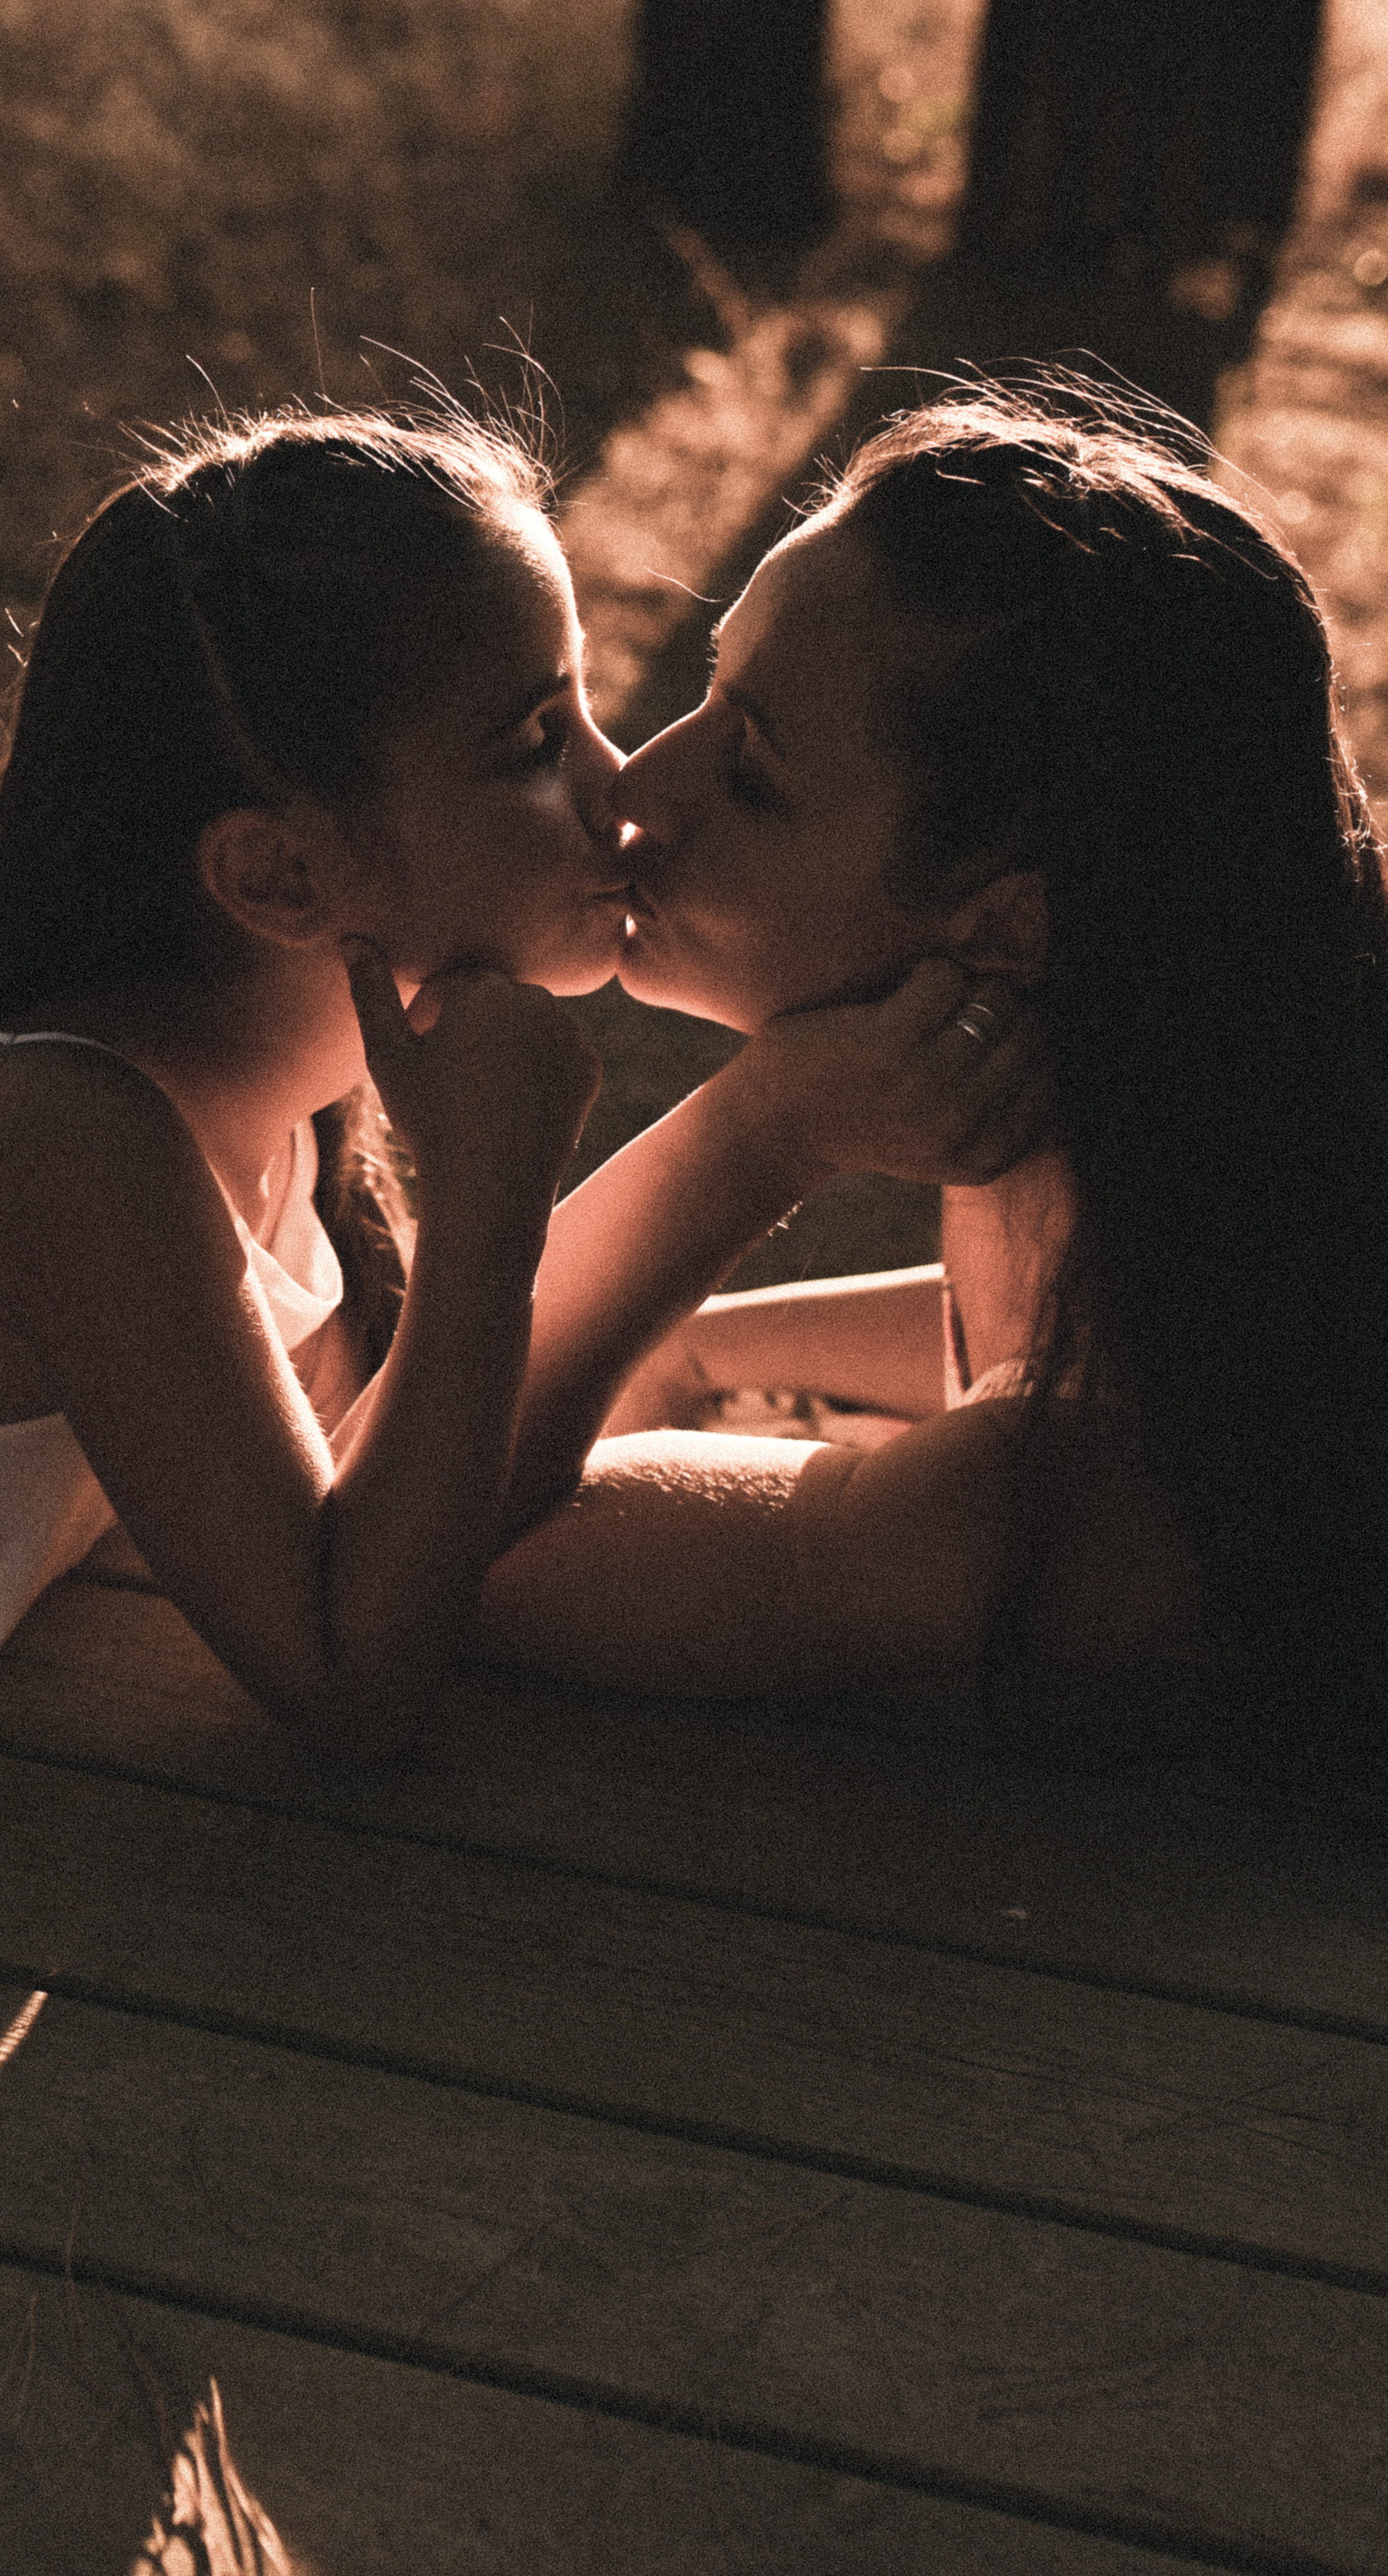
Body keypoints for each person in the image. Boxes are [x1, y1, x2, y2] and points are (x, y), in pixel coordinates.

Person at [0, 407, 1034, 2064]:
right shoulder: (63, 1136)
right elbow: (351, 1674)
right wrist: (675, 1157)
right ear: (277, 875)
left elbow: (398, 1493)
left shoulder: (286, 1092)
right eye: (536, 740)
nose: (618, 791)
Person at [480, 389, 1388, 1774]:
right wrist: (693, 1343)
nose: (638, 795)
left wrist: (754, 1133)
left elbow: (411, 1560)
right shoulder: (1197, 1262)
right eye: (709, 696)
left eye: (757, 774)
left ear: (1010, 925)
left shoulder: (1051, 1500)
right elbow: (896, 1344)